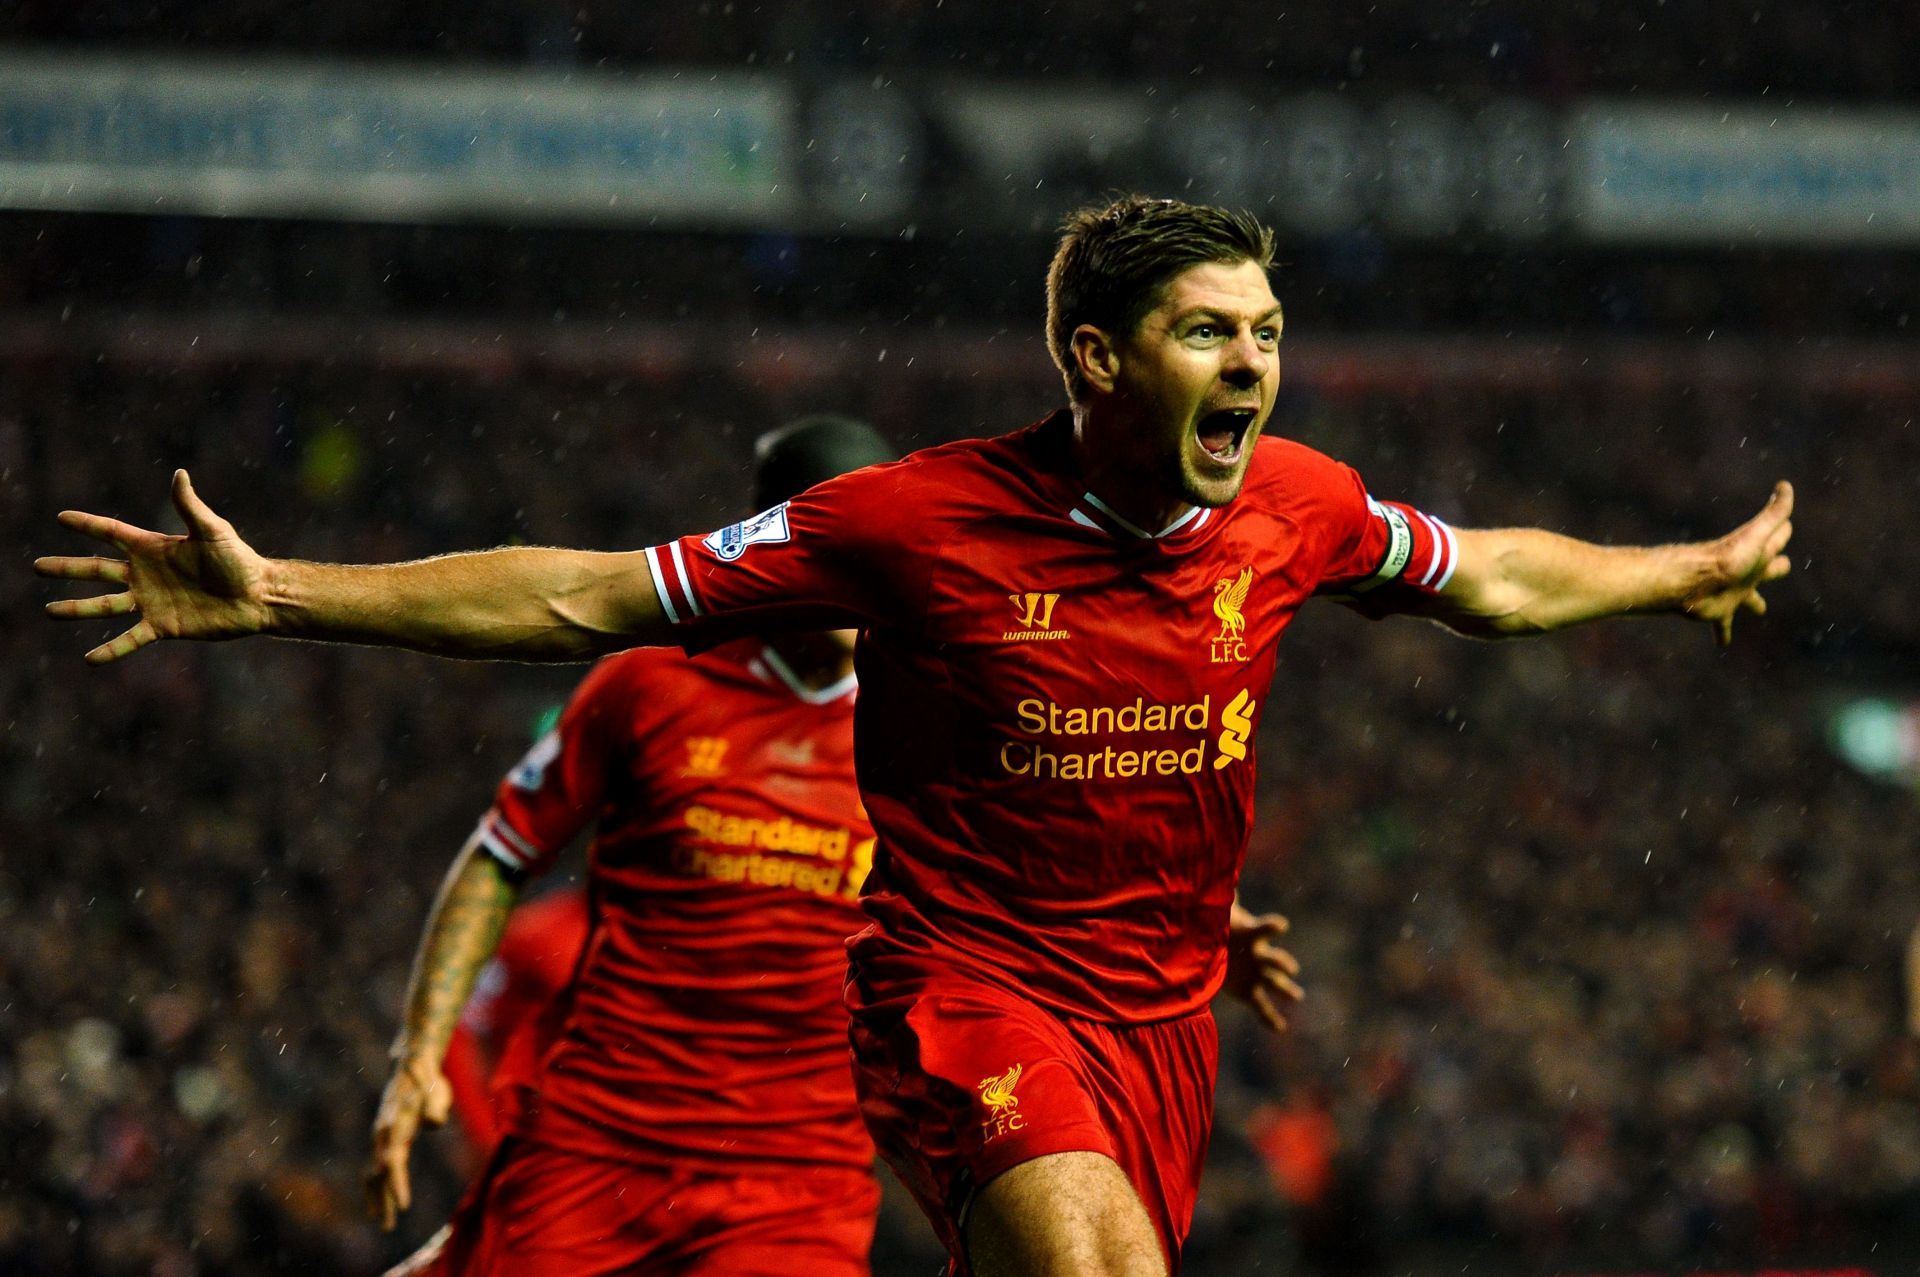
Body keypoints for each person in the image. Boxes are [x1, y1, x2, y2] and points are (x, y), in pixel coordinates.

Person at [37, 196, 1792, 1277]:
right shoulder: (912, 524)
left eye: (1266, 330)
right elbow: (581, 595)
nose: (1250, 364)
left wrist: (1681, 570)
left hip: (1159, 1013)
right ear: (1098, 357)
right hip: (963, 987)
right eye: (1207, 333)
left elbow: (1490, 576)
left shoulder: (1302, 506)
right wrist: (284, 596)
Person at [365, 415, 907, 1275]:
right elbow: (502, 852)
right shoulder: (652, 685)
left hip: (798, 1180)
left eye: (874, 545)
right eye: (829, 544)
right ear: (775, 547)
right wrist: (420, 1051)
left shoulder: (938, 723)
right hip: (599, 1146)